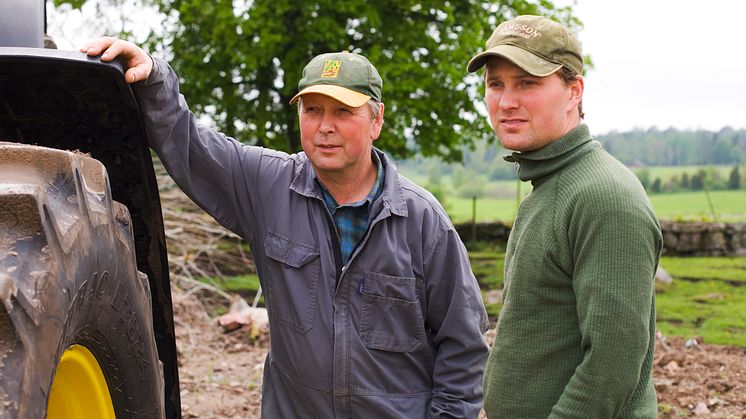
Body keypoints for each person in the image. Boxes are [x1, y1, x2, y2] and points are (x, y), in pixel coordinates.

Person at [82, 37, 489, 418]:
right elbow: (190, 144)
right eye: (312, 110)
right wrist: (154, 76)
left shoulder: (422, 222)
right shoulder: (268, 186)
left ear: (376, 120)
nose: (324, 126)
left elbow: (464, 349)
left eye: (343, 112)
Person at [466, 15, 662, 418]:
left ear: (574, 91)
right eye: (495, 84)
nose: (506, 102)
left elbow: (613, 361)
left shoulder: (603, 197)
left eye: (528, 83)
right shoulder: (551, 185)